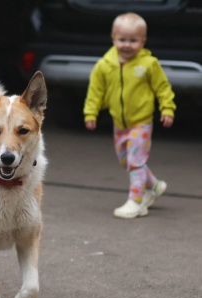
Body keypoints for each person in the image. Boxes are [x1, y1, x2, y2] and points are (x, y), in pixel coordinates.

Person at [83, 12, 176, 219]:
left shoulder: (148, 64)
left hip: (141, 123)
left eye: (133, 41)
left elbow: (163, 88)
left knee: (135, 161)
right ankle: (155, 185)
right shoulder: (105, 65)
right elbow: (95, 91)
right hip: (119, 123)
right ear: (113, 38)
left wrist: (167, 108)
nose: (127, 45)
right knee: (127, 161)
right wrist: (91, 112)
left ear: (143, 41)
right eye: (122, 40)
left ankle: (136, 201)